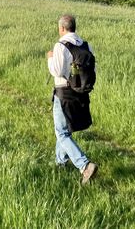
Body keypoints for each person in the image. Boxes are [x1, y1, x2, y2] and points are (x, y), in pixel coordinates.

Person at [47, 14, 98, 185]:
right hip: (81, 92)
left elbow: (57, 71)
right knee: (64, 130)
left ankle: (84, 165)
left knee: (61, 132)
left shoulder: (61, 45)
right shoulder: (86, 45)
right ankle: (60, 162)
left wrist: (50, 58)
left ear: (61, 28)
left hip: (64, 93)